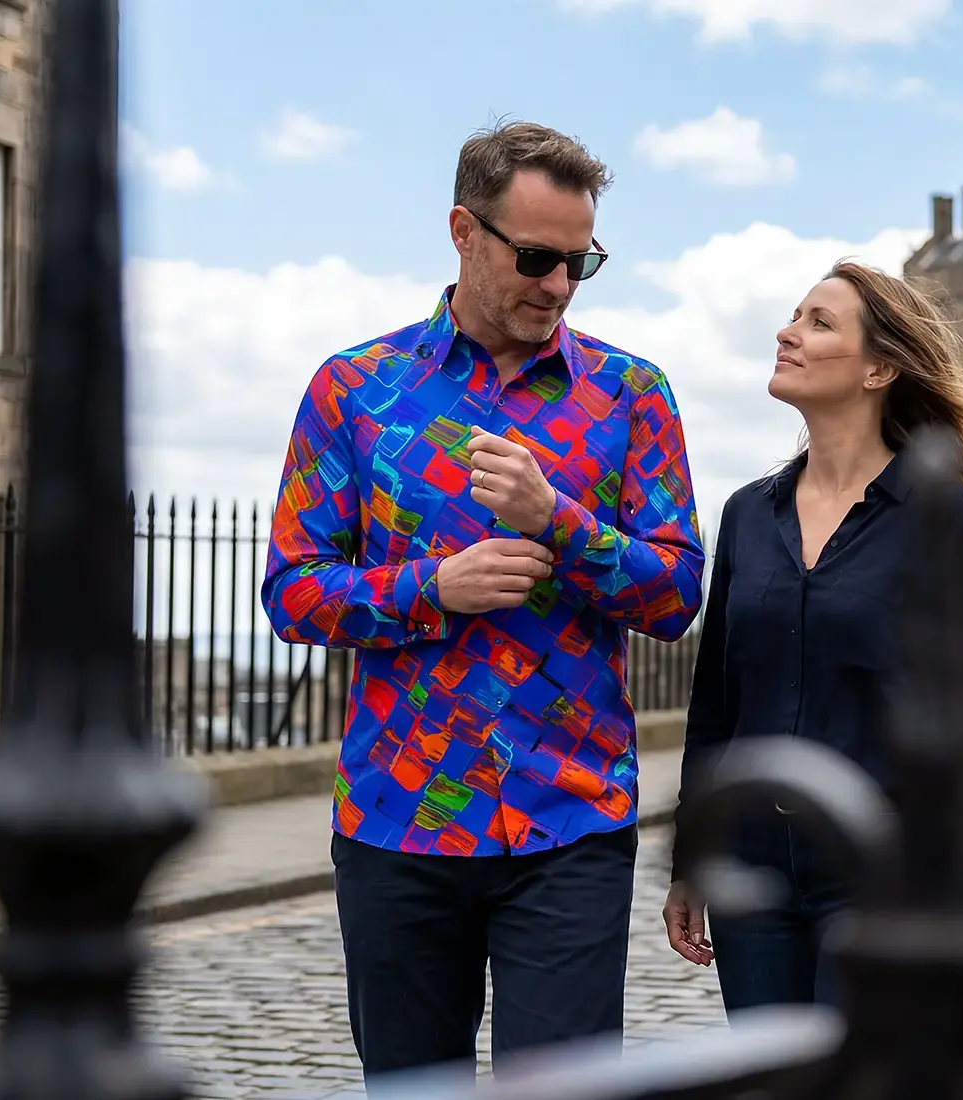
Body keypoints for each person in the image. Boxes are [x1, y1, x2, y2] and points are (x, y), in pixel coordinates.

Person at [259, 123, 705, 1083]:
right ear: (464, 231)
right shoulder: (354, 391)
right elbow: (293, 591)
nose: (557, 285)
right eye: (536, 257)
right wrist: (433, 589)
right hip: (398, 816)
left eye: (580, 263)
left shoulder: (633, 395)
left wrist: (564, 525)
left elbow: (677, 594)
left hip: (570, 819)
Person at [664, 260, 963, 1011]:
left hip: (881, 870)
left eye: (818, 323)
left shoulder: (944, 520)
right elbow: (716, 706)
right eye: (795, 316)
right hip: (751, 870)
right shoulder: (747, 515)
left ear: (879, 368)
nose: (787, 334)